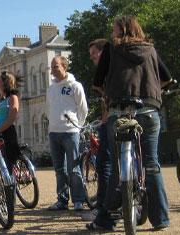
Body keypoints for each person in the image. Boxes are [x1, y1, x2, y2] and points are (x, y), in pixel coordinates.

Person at [87, 15, 170, 231]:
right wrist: (152, 94)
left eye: (114, 29)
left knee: (117, 165)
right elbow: (167, 78)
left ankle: (108, 219)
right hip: (149, 110)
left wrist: (109, 96)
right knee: (151, 164)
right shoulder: (150, 49)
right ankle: (160, 219)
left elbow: (97, 82)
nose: (112, 33)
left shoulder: (112, 50)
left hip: (120, 110)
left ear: (121, 30)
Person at [46, 56, 89, 212]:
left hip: (70, 132)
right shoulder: (51, 88)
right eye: (52, 67)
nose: (53, 69)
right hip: (54, 132)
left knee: (74, 168)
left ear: (64, 67)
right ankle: (62, 200)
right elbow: (49, 107)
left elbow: (83, 108)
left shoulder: (75, 86)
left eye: (56, 66)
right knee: (59, 169)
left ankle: (78, 200)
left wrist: (77, 126)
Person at [81, 38, 112, 221]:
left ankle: (103, 209)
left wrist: (105, 120)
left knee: (104, 164)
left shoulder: (108, 70)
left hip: (113, 121)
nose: (92, 58)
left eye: (94, 54)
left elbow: (108, 96)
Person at [0, 71, 23, 171]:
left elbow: (11, 119)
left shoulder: (12, 98)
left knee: (7, 163)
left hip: (6, 133)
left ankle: (11, 183)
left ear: (4, 82)